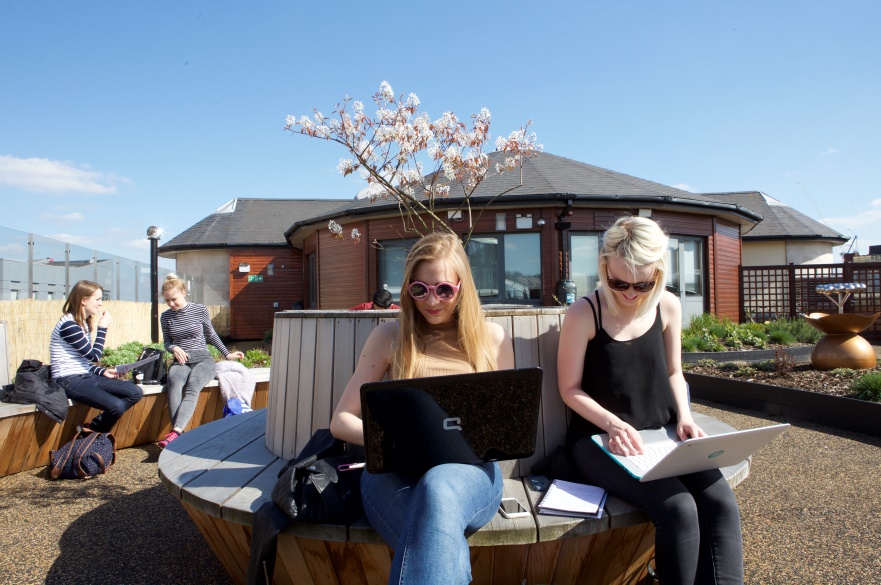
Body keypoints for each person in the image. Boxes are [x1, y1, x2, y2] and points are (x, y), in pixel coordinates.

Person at [557, 216, 744, 585]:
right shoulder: (585, 312)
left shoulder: (668, 306)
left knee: (720, 503)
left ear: (658, 272)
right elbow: (570, 389)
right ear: (604, 266)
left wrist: (686, 417)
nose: (629, 293)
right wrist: (613, 423)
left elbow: (675, 373)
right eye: (618, 282)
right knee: (678, 509)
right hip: (599, 440)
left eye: (643, 283)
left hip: (663, 435)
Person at [330, 232, 514, 585]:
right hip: (393, 472)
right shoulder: (390, 337)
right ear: (408, 289)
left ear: (462, 288)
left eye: (444, 290)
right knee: (440, 545)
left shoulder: (491, 339)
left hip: (470, 475)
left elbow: (506, 427)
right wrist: (400, 441)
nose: (432, 301)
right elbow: (341, 421)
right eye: (420, 290)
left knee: (438, 485)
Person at [159, 274, 244, 447]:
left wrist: (227, 354)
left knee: (193, 385)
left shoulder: (199, 310)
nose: (171, 304)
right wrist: (173, 348)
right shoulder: (165, 317)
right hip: (181, 359)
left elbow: (211, 334)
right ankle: (179, 433)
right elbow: (167, 342)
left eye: (173, 299)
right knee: (174, 382)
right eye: (167, 301)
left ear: (183, 292)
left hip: (202, 359)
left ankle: (175, 432)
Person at [49, 280, 143, 433]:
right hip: (68, 380)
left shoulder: (82, 323)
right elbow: (94, 356)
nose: (100, 304)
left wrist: (102, 372)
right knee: (116, 406)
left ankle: (91, 429)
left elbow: (83, 360)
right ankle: (92, 434)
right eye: (98, 299)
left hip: (85, 375)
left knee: (135, 392)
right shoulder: (69, 326)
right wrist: (103, 328)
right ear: (84, 300)